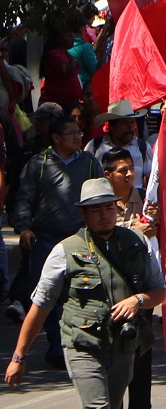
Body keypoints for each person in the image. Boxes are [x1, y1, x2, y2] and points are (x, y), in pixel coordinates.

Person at [5, 178, 166, 408]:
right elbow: (40, 307)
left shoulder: (138, 243)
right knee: (97, 407)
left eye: (109, 208)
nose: (104, 215)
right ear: (84, 214)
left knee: (114, 404)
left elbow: (160, 291)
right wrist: (18, 358)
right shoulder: (65, 251)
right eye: (96, 210)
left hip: (124, 345)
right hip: (83, 345)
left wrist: (139, 300)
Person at [13, 118, 106, 368]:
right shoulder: (39, 164)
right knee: (47, 295)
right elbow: (24, 198)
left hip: (81, 238)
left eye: (79, 132)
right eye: (71, 133)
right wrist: (23, 228)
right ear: (56, 137)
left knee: (82, 292)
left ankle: (82, 344)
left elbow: (102, 194)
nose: (78, 137)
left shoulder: (88, 162)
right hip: (46, 239)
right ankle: (57, 347)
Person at [102, 150, 154, 409]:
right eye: (123, 170)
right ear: (107, 174)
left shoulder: (146, 200)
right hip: (110, 290)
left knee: (142, 357)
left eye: (132, 168)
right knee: (115, 362)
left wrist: (157, 225)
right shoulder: (101, 205)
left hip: (142, 288)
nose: (130, 174)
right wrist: (134, 233)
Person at [85, 101, 150, 194]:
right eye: (125, 123)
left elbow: (151, 178)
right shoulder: (94, 147)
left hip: (135, 204)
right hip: (105, 204)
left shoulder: (142, 147)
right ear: (112, 126)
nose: (130, 127)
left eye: (132, 122)